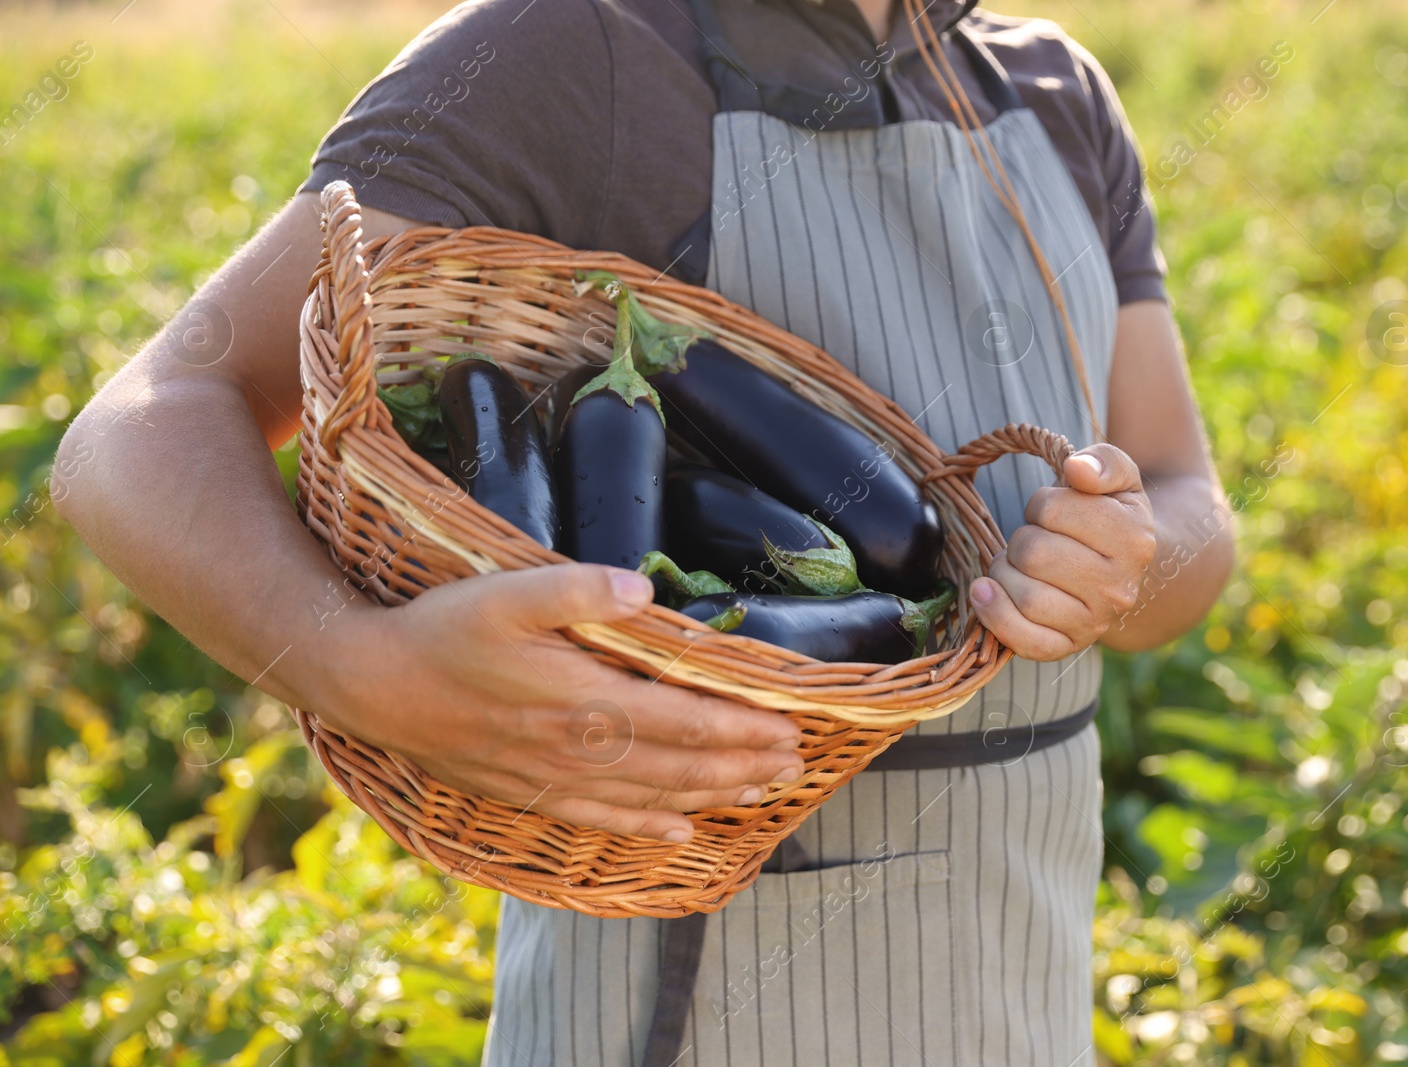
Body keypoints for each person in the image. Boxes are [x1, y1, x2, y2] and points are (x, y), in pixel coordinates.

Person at [53, 0, 1234, 1062]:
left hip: (1016, 992)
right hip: (687, 1015)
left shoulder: (1052, 95)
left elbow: (1184, 496)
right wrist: (360, 669)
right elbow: (138, 430)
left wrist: (1125, 567)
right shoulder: (573, 54)